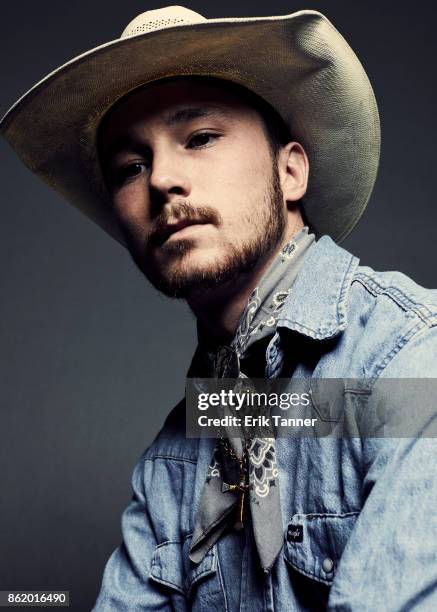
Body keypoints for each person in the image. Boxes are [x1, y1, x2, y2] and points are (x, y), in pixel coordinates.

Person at [2, 6, 437, 611]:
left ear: (289, 171)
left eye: (200, 138)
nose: (161, 181)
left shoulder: (413, 364)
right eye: (131, 166)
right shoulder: (175, 459)